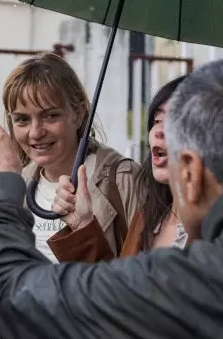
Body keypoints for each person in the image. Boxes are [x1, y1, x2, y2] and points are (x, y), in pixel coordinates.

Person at [0, 57, 223, 338]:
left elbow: (1, 291)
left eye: (171, 126)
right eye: (155, 121)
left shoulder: (207, 277)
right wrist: (85, 227)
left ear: (189, 172)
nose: (35, 132)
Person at [2, 52, 140, 263]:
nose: (35, 132)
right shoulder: (19, 181)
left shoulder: (123, 179)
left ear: (79, 114)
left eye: (50, 116)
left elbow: (145, 275)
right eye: (22, 119)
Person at [49, 75, 190, 262]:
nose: (159, 131)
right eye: (157, 120)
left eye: (175, 121)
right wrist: (83, 225)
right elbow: (113, 289)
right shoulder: (148, 218)